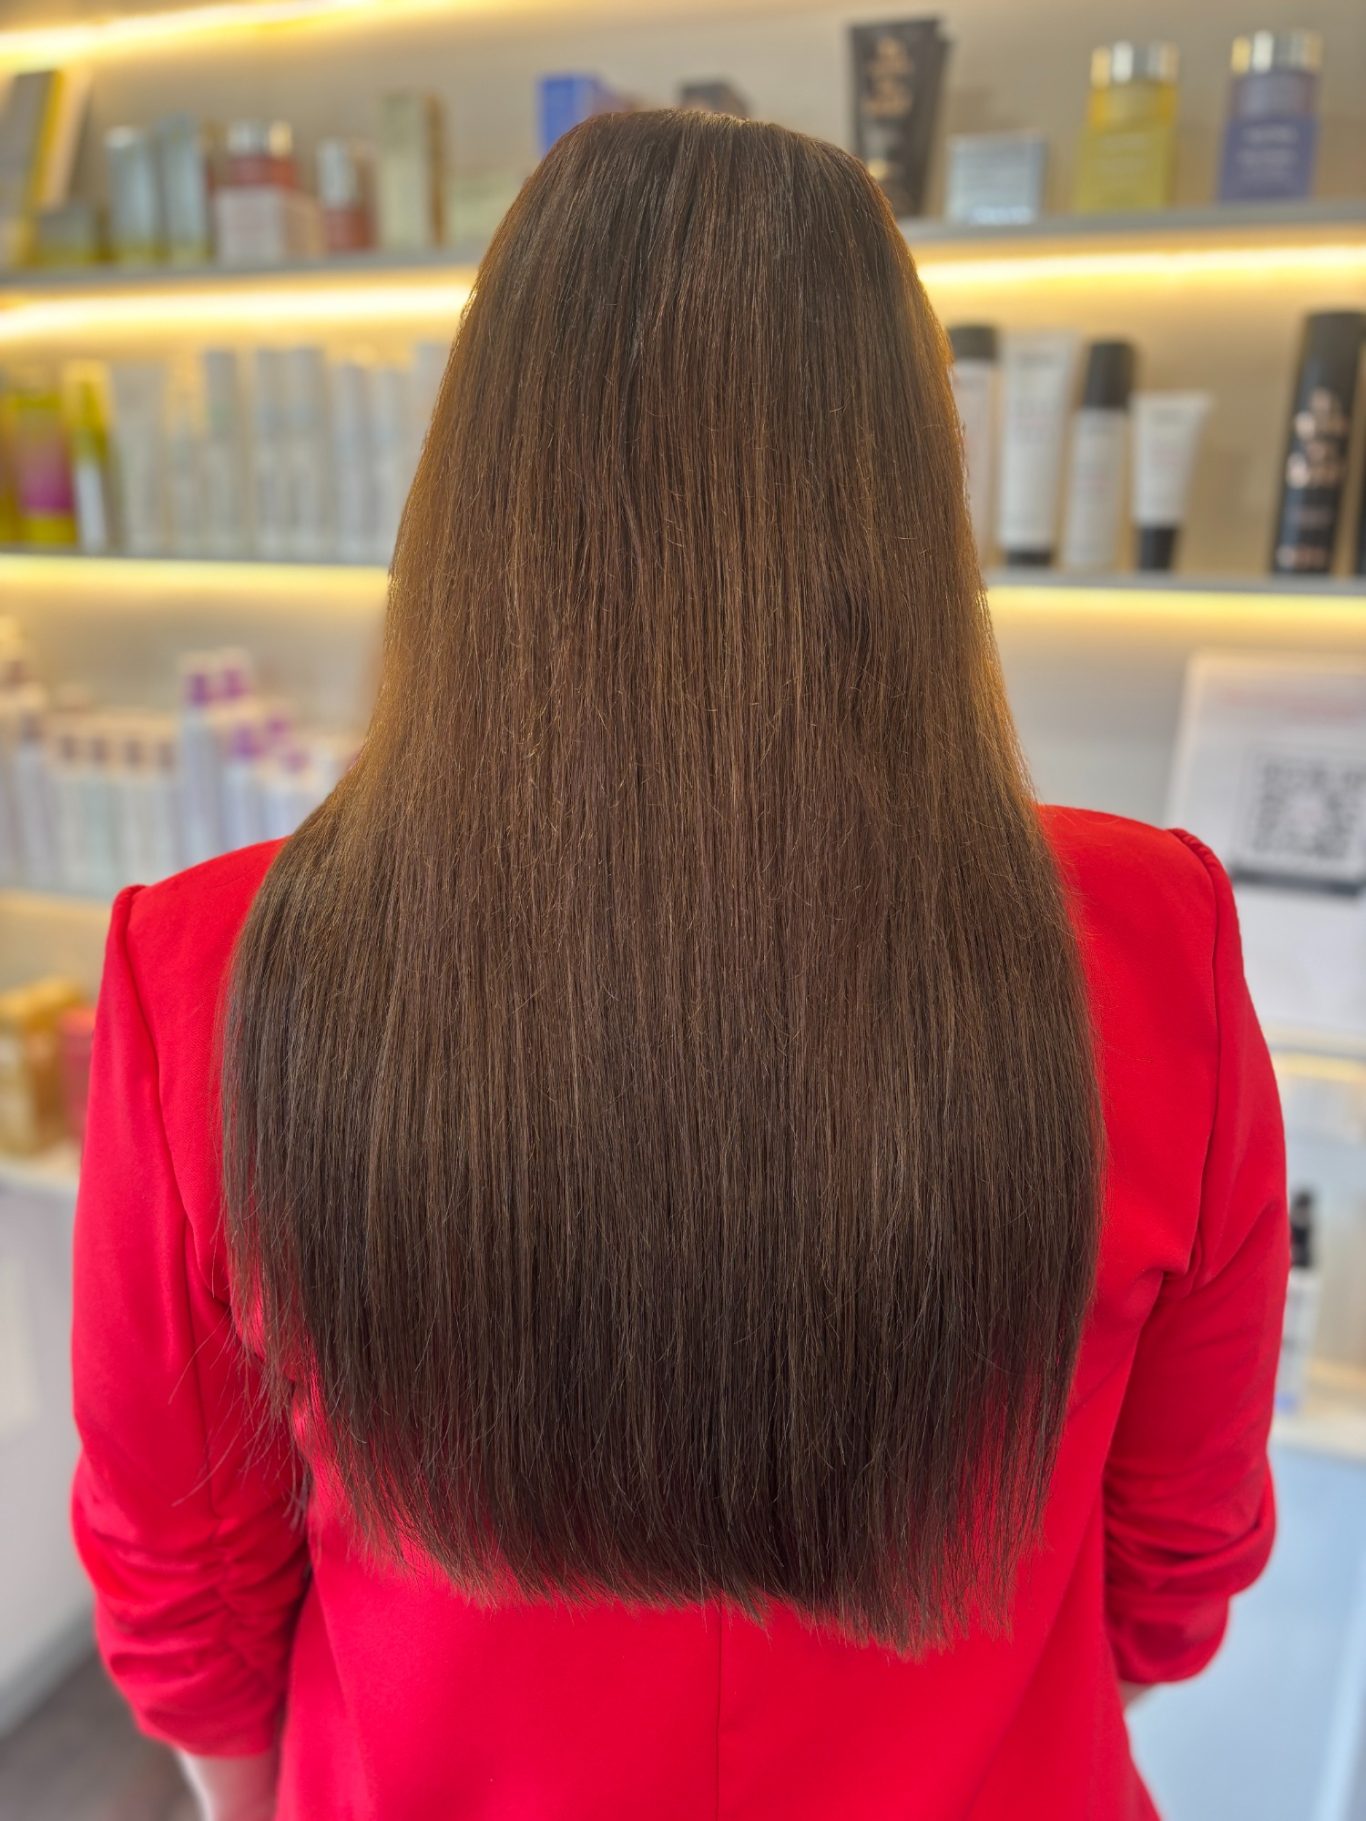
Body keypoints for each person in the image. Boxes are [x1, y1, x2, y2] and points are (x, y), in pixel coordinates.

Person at [71, 110, 1287, 1821]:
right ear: (906, 482)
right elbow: (1171, 1566)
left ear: (476, 478)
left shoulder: (204, 973)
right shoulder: (1151, 940)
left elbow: (187, 1598)